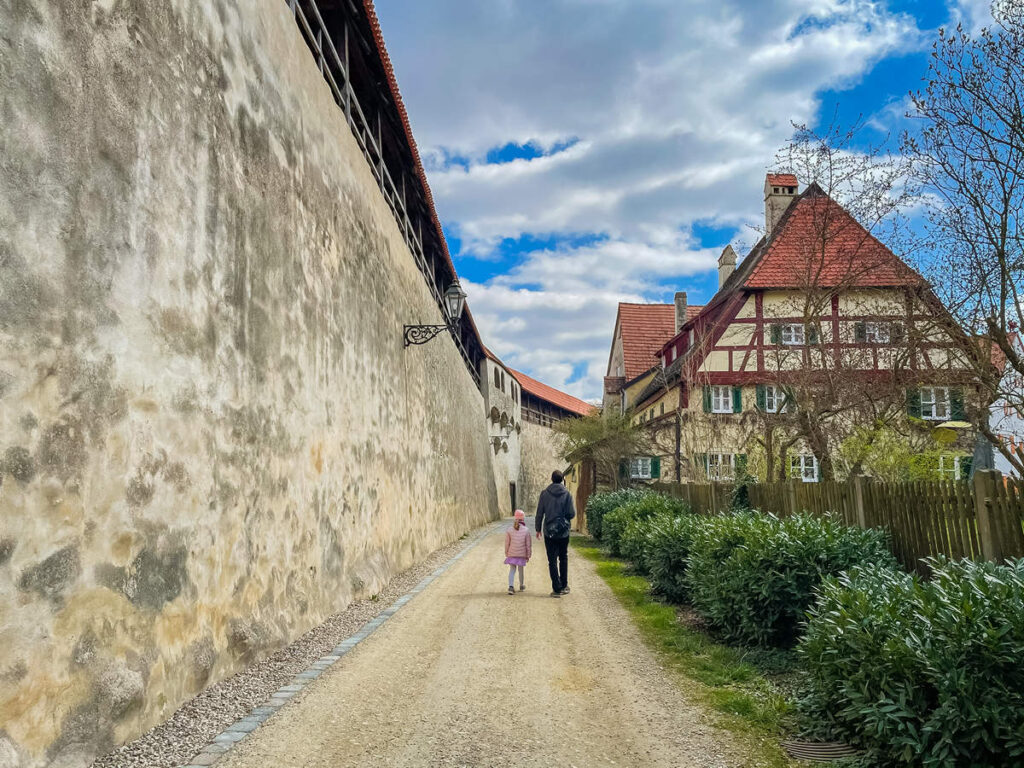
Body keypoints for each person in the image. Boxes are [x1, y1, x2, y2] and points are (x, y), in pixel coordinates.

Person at [535, 470, 576, 597]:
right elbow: (572, 513)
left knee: (552, 560)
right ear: (562, 479)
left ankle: (556, 589)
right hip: (563, 532)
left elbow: (540, 513)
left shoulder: (544, 494)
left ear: (552, 479)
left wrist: (538, 529)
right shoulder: (567, 494)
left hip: (549, 531)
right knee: (563, 557)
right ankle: (564, 585)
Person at [504, 509, 532, 594]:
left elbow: (507, 543)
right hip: (521, 555)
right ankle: (521, 585)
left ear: (515, 518)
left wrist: (507, 552)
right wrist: (528, 555)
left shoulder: (509, 530)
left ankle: (511, 586)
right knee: (521, 570)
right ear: (523, 519)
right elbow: (528, 545)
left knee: (512, 570)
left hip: (512, 553)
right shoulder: (526, 530)